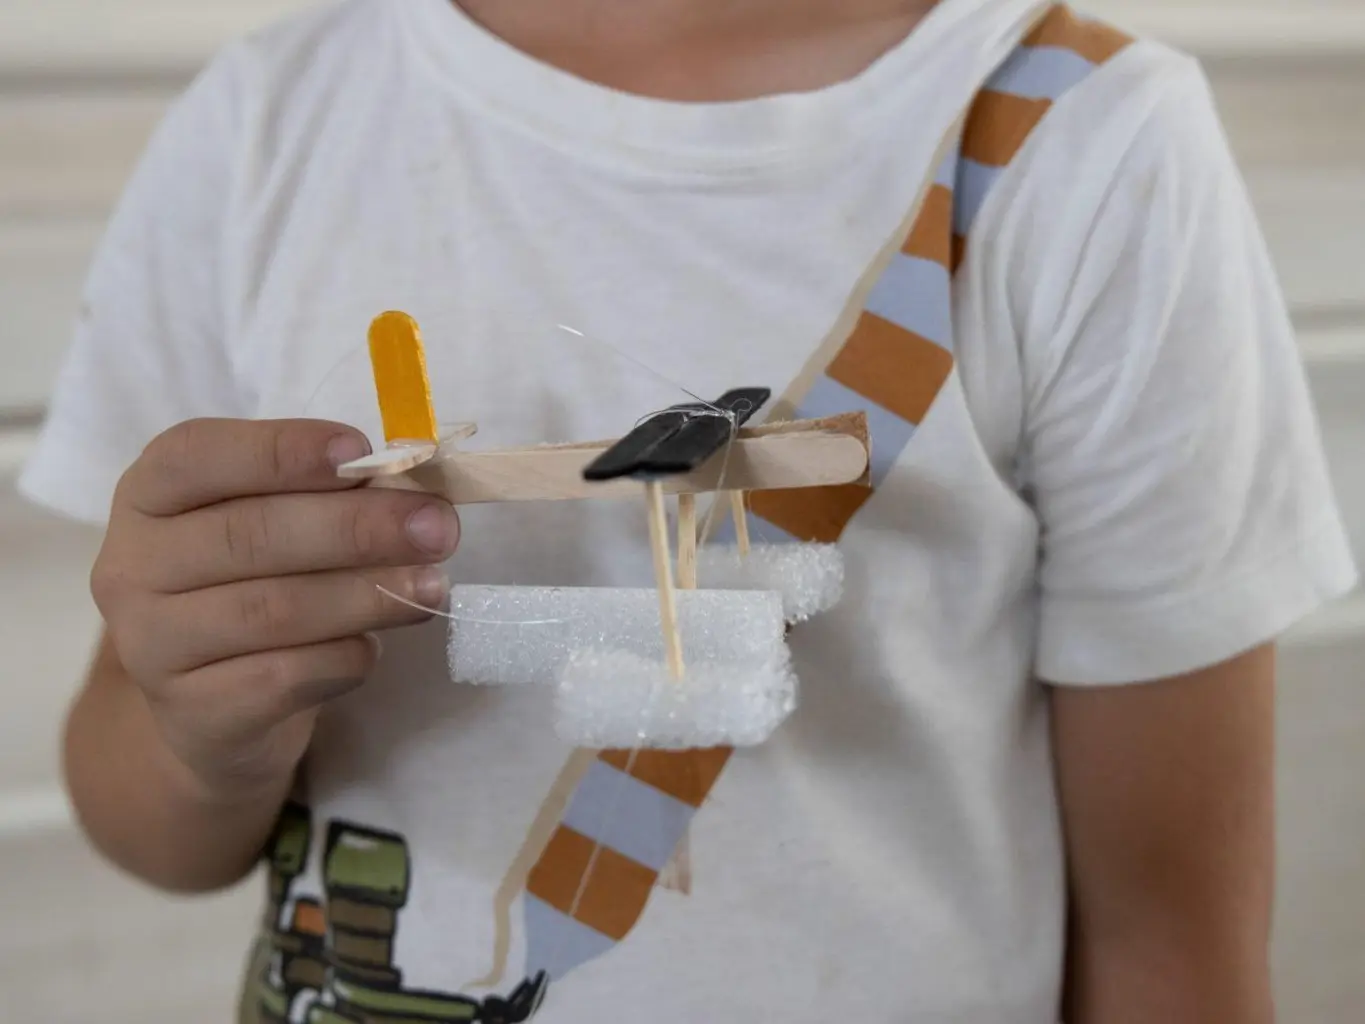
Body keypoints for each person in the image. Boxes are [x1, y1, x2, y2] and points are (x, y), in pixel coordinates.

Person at [19, 0, 1358, 1021]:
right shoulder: (265, 123)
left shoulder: (1075, 144)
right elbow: (142, 811)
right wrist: (210, 744)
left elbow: (1174, 944)